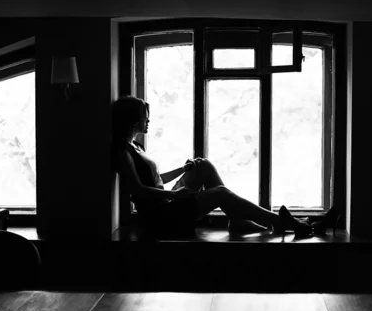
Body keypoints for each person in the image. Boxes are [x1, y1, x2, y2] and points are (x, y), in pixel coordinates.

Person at [111, 95, 312, 240]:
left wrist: (183, 170)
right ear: (133, 119)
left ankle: (237, 219)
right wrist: (175, 196)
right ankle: (278, 221)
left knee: (202, 164)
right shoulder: (122, 152)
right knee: (221, 193)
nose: (148, 120)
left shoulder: (137, 146)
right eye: (145, 116)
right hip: (160, 217)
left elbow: (157, 179)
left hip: (167, 203)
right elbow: (137, 190)